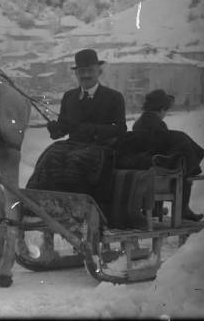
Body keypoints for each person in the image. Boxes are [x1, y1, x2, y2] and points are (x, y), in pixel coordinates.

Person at [22, 49, 126, 260]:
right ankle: (40, 208)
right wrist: (55, 129)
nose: (85, 75)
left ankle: (78, 214)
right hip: (74, 145)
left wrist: (95, 130)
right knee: (49, 156)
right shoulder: (69, 97)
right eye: (81, 72)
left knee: (76, 161)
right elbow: (64, 128)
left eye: (89, 70)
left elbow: (120, 128)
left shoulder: (114, 97)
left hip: (102, 149)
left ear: (99, 71)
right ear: (76, 73)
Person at [118, 89, 204, 221]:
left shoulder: (138, 123)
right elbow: (161, 149)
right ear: (162, 109)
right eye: (166, 110)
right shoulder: (158, 125)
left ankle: (155, 209)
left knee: (177, 163)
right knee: (183, 168)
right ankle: (183, 209)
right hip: (158, 175)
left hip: (143, 169)